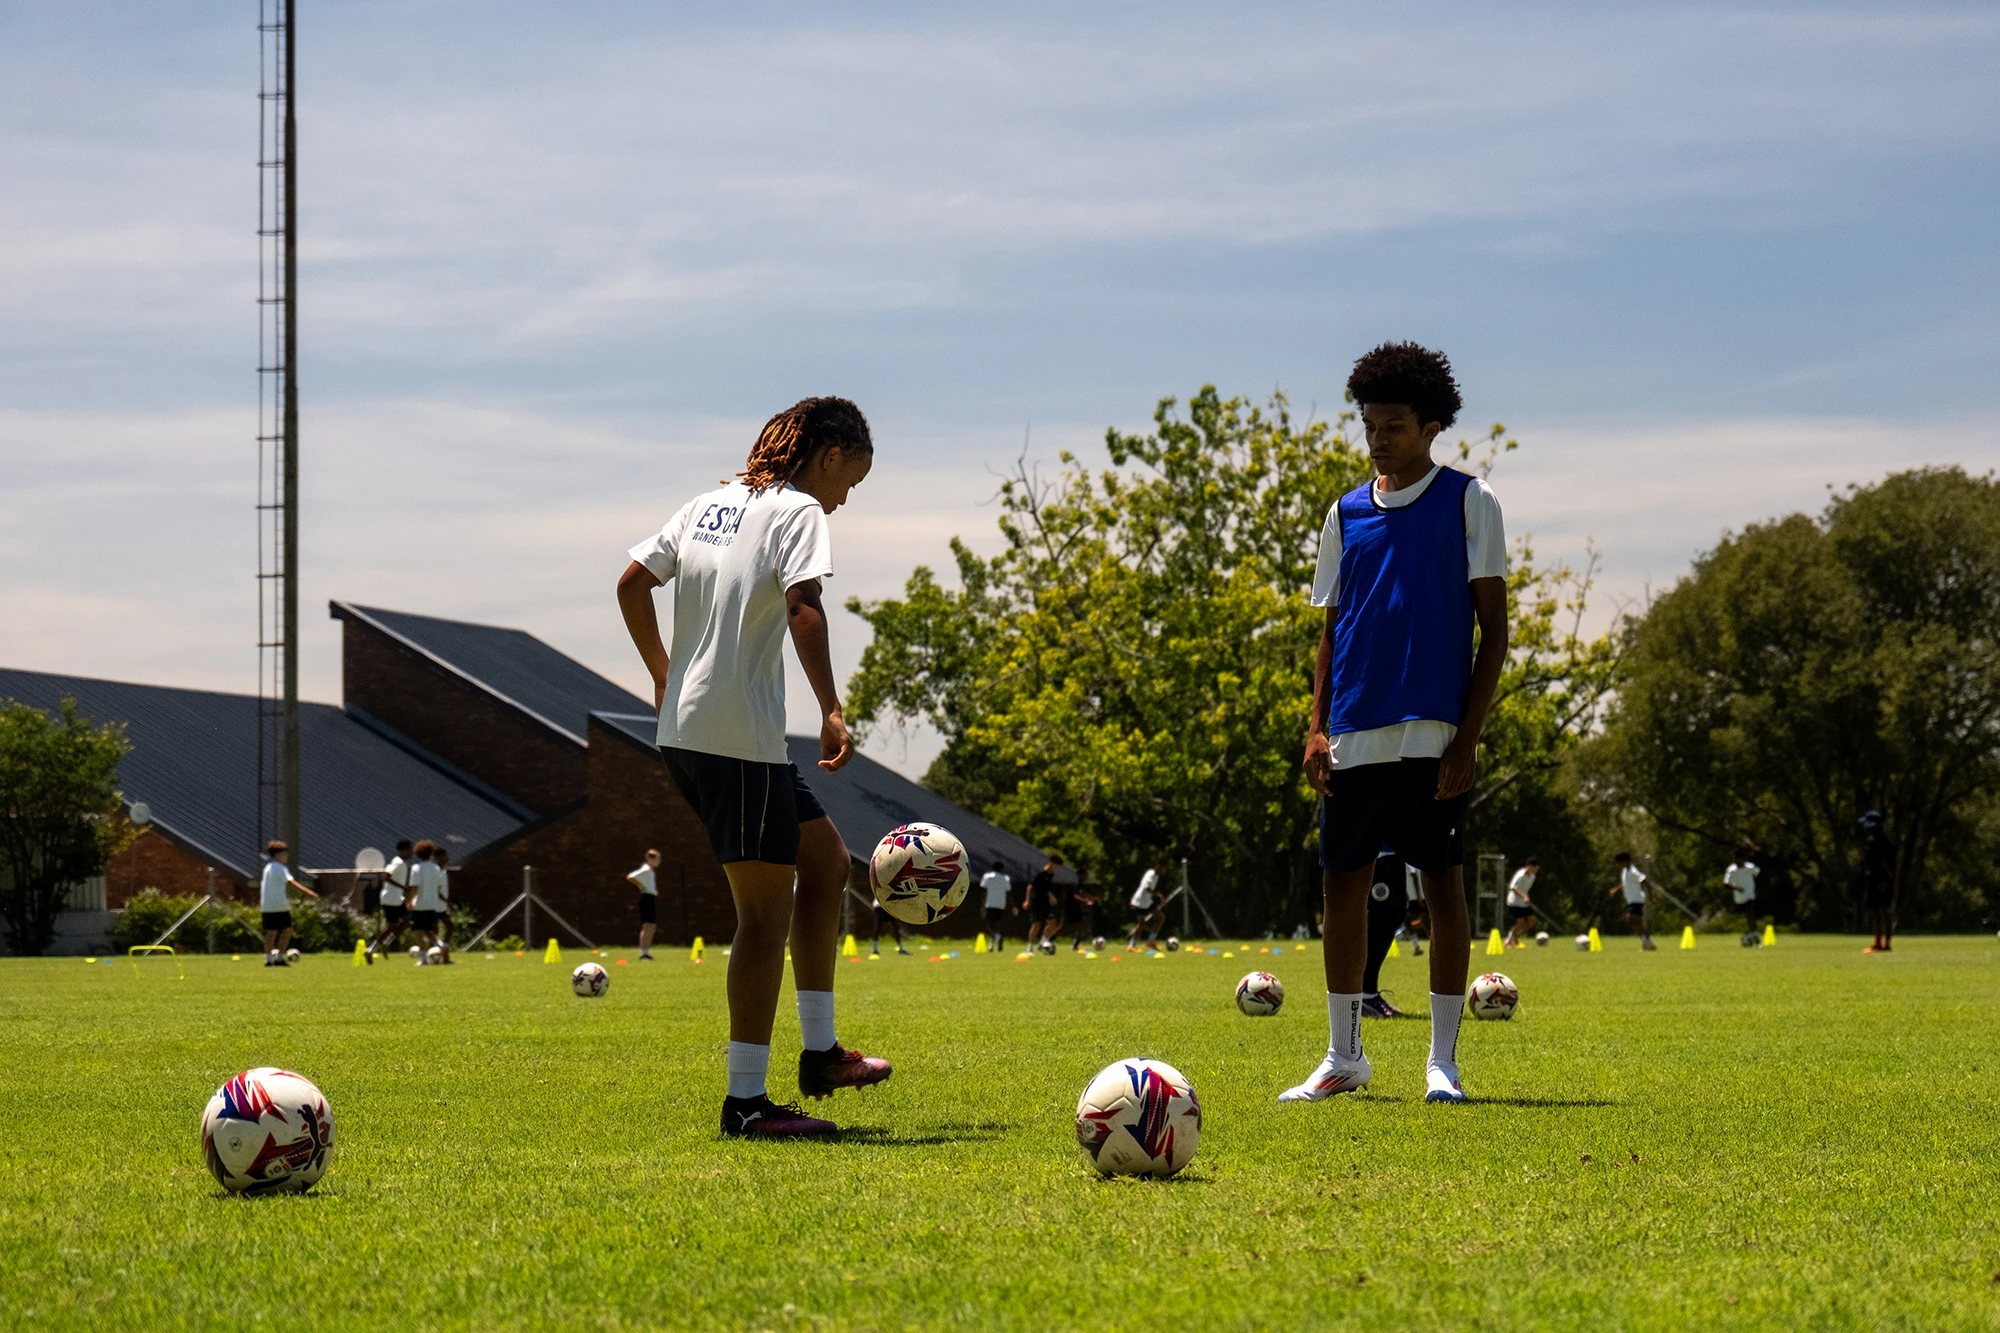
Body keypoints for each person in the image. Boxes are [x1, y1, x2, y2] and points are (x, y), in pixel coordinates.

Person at [619, 395, 888, 1138]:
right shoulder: (799, 511)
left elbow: (632, 583)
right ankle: (746, 1104)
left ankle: (822, 1055)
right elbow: (806, 607)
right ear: (828, 456)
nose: (843, 499)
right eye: (850, 481)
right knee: (764, 915)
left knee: (828, 860)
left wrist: (662, 671)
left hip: (707, 733)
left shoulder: (707, 504)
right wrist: (832, 707)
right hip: (736, 738)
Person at [1287, 342, 1508, 1107]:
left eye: (1396, 425)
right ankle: (1343, 1055)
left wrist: (1468, 737)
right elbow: (1330, 629)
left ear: (1432, 425)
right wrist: (1317, 729)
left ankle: (1442, 1061)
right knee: (1341, 885)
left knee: (1441, 884)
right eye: (1371, 425)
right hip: (1353, 732)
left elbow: (1495, 632)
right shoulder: (1345, 513)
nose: (1380, 438)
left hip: (1431, 734)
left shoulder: (1467, 501)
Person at [1360, 850, 1407, 1018]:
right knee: (1383, 911)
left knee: (1398, 909)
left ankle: (1368, 993)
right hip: (1376, 843)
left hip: (1396, 842)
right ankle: (1364, 994)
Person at [259, 839, 317, 966]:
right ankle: (278, 957)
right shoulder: (280, 868)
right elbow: (290, 882)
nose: (286, 857)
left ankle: (270, 959)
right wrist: (308, 893)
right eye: (284, 854)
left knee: (274, 932)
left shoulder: (268, 867)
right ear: (277, 855)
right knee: (284, 930)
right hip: (278, 905)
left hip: (267, 905)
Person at [364, 838, 414, 964]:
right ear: (403, 851)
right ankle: (371, 949)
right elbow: (385, 876)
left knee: (408, 920)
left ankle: (385, 943)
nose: (411, 853)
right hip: (390, 899)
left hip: (397, 899)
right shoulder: (397, 862)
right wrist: (403, 887)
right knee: (393, 926)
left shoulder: (402, 863)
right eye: (410, 850)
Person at [1860, 810, 1896, 953]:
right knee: (1884, 910)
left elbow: (1880, 861)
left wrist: (1885, 875)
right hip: (1884, 879)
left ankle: (1878, 944)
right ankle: (1886, 943)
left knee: (1877, 911)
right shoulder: (1887, 841)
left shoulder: (1873, 841)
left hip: (1877, 879)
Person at [407, 839, 447, 964]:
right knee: (429, 930)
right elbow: (440, 886)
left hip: (419, 904)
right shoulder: (436, 868)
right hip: (432, 904)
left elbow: (415, 887)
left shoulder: (416, 868)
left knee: (418, 932)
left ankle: (424, 959)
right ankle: (441, 945)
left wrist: (409, 901)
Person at [1606, 853, 1655, 950]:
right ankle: (1648, 942)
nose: (1619, 865)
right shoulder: (1624, 871)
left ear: (1626, 861)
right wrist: (1616, 889)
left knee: (1631, 919)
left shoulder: (1633, 871)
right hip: (1631, 900)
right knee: (1636, 923)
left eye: (1620, 862)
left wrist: (1651, 897)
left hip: (1637, 899)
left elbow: (1646, 882)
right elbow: (1625, 883)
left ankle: (1647, 942)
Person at [1126, 859, 1170, 951]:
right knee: (1141, 924)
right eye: (1164, 869)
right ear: (1158, 867)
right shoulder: (1151, 874)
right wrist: (1160, 895)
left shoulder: (1155, 875)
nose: (1164, 871)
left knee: (1161, 917)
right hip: (1140, 901)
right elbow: (1147, 889)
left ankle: (1150, 941)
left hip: (1147, 901)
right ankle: (1131, 946)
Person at [1023, 855, 1063, 955]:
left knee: (1052, 922)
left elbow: (1045, 888)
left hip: (1045, 902)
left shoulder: (1051, 874)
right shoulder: (1041, 873)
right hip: (1036, 901)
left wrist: (1051, 896)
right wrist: (1027, 900)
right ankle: (1029, 948)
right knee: (1036, 924)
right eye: (1057, 866)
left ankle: (1042, 943)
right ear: (1051, 863)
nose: (1057, 869)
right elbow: (1030, 887)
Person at [629, 849, 663, 960]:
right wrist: (640, 886)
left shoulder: (650, 871)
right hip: (646, 898)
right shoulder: (646, 869)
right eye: (657, 859)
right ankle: (643, 953)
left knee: (652, 926)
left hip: (651, 898)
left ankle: (646, 952)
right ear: (650, 859)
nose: (659, 861)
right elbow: (630, 877)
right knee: (648, 925)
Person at [1503, 857, 1540, 948]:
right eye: (1535, 868)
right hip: (1514, 901)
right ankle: (1508, 941)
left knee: (1532, 921)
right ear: (1530, 866)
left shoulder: (1532, 877)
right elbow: (1513, 887)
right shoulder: (1521, 874)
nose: (1536, 870)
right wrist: (1524, 896)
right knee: (1520, 922)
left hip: (1523, 902)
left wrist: (1526, 897)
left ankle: (1515, 936)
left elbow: (1525, 889)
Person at [1725, 850, 1761, 944]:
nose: (1737, 860)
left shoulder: (1750, 867)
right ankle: (1751, 934)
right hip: (1739, 898)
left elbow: (1758, 874)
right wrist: (1736, 887)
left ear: (1743, 859)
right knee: (1748, 916)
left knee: (1750, 914)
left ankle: (1755, 934)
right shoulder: (1732, 870)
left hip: (1750, 895)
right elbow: (1726, 884)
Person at [978, 860, 1012, 954]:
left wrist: (982, 905)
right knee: (996, 924)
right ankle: (993, 941)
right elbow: (1008, 892)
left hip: (990, 903)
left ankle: (996, 938)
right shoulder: (1005, 878)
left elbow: (984, 892)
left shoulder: (987, 877)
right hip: (1001, 904)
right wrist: (1012, 906)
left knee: (989, 923)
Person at [432, 846, 455, 963]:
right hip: (434, 906)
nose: (448, 858)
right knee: (434, 932)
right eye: (445, 856)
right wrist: (447, 902)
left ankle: (443, 950)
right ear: (438, 858)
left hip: (441, 907)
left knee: (450, 927)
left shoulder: (444, 871)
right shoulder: (435, 871)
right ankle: (438, 955)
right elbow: (435, 890)